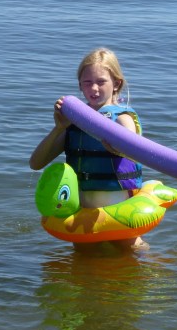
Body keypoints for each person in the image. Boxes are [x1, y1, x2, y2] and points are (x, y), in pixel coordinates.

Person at [29, 48, 148, 249]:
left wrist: (118, 150)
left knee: (131, 257)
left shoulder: (122, 118)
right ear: (80, 86)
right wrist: (59, 129)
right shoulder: (73, 123)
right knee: (83, 265)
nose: (94, 88)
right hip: (83, 210)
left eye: (101, 82)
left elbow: (135, 148)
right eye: (87, 82)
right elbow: (35, 163)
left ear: (116, 83)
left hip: (117, 207)